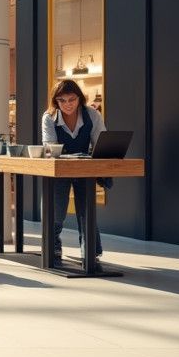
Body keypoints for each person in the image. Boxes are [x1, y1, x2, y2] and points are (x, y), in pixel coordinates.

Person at [41, 79, 108, 269]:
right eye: (62, 100)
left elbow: (100, 141)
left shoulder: (92, 114)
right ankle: (53, 247)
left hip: (85, 167)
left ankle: (91, 252)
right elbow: (50, 147)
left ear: (79, 98)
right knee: (56, 209)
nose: (67, 104)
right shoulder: (49, 117)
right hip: (59, 168)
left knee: (86, 209)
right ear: (56, 101)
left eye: (71, 99)